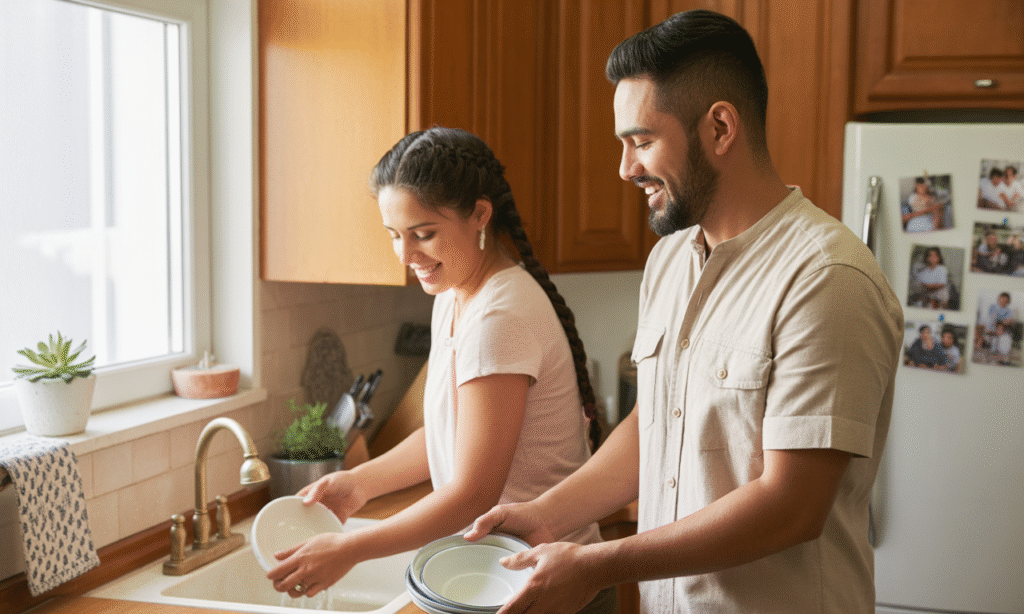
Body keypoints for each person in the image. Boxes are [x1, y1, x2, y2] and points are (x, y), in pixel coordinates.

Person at [466, 10, 903, 614]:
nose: (626, 168)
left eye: (642, 141)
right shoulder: (670, 260)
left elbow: (791, 507)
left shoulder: (828, 279)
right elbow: (655, 425)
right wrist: (546, 516)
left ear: (720, 127)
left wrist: (597, 565)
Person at [266, 127, 615, 611]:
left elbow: (474, 493)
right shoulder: (453, 295)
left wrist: (351, 548)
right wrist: (360, 484)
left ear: (479, 215)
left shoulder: (500, 316)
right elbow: (447, 434)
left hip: (547, 585)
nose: (406, 256)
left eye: (423, 234)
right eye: (394, 236)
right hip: (498, 578)